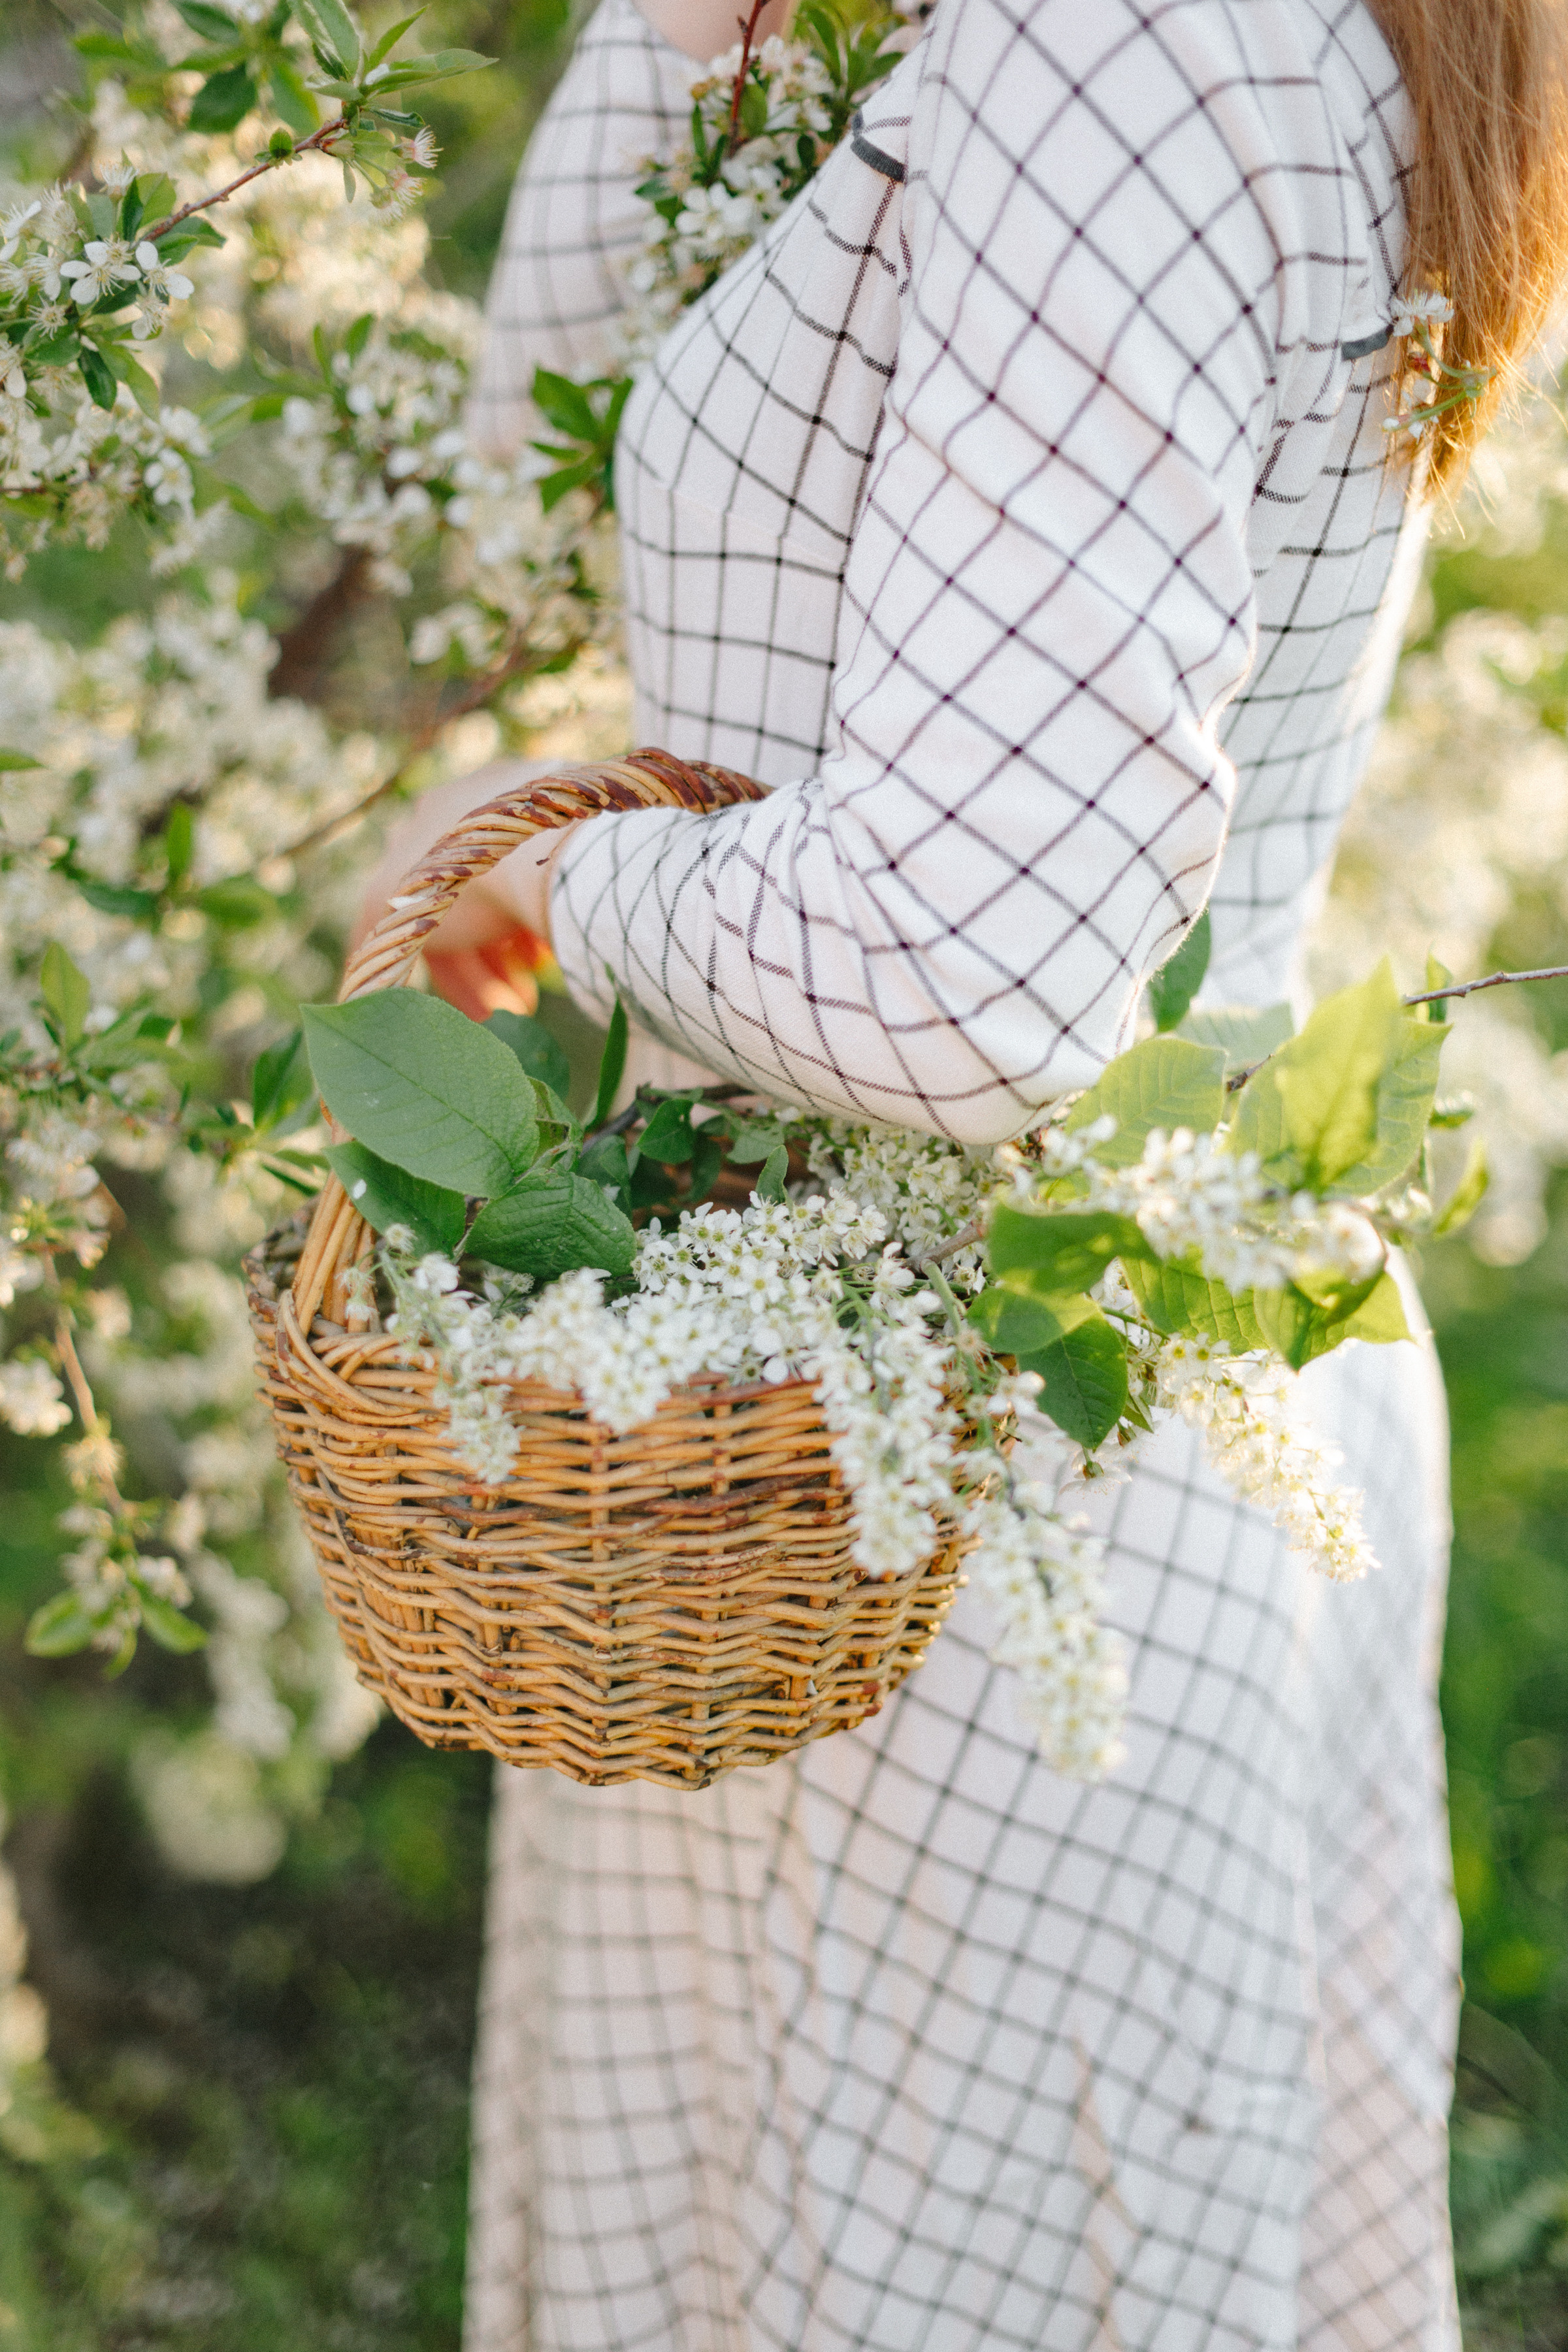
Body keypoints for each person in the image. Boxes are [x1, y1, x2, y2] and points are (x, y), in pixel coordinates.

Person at [358, 3, 1568, 2344]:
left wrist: (545, 892)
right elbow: (520, 491)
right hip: (839, 1434)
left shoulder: (1113, 51)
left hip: (966, 1522)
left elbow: (968, 966)